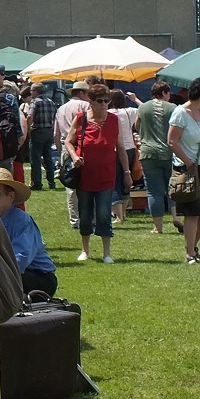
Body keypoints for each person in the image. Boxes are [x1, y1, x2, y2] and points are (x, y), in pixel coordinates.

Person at [64, 84, 131, 264]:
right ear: (90, 102)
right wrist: (75, 156)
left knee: (103, 213)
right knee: (85, 214)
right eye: (99, 101)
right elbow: (69, 142)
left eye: (106, 101)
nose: (104, 104)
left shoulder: (113, 120)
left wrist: (127, 172)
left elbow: (121, 148)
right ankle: (85, 250)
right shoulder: (81, 119)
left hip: (107, 175)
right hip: (85, 175)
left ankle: (106, 252)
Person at [168, 77, 200, 265]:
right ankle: (189, 253)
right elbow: (172, 141)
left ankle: (193, 246)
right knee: (193, 212)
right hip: (189, 167)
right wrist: (189, 162)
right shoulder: (180, 113)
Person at [0, 168, 58, 296]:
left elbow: (20, 260)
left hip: (38, 277)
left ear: (11, 196)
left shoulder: (22, 220)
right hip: (6, 272)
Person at [136, 81, 183, 234]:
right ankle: (176, 217)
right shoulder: (173, 108)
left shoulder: (143, 107)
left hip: (148, 152)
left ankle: (158, 227)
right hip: (169, 153)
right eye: (168, 93)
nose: (170, 97)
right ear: (163, 93)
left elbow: (137, 126)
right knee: (173, 187)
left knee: (154, 191)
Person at [55, 81, 91, 229]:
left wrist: (60, 151)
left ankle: (74, 220)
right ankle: (88, 217)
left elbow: (56, 133)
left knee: (71, 185)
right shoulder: (84, 107)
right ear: (82, 93)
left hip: (66, 148)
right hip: (80, 147)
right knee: (88, 184)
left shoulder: (61, 109)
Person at [109, 90, 139, 223]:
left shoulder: (108, 114)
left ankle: (118, 216)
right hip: (130, 149)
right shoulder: (130, 112)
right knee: (127, 181)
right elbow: (145, 108)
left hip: (114, 150)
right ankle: (124, 213)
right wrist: (135, 99)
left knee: (114, 183)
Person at [27, 82, 57, 191]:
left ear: (35, 91)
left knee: (35, 159)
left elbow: (30, 115)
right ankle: (51, 182)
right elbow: (54, 118)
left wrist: (28, 127)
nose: (30, 93)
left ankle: (37, 183)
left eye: (31, 91)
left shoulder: (35, 102)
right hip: (49, 131)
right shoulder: (51, 102)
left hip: (38, 131)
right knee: (48, 158)